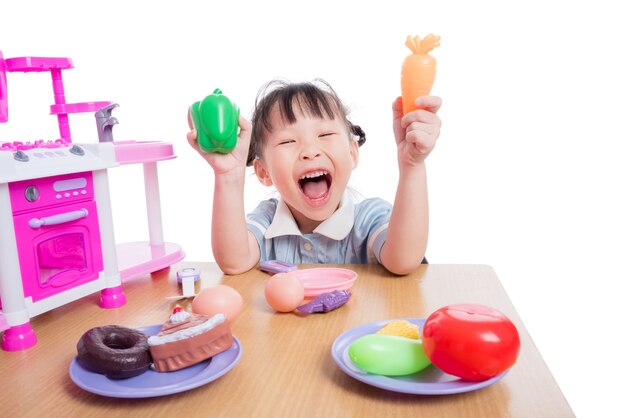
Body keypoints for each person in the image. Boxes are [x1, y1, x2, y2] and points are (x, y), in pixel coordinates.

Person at [187, 79, 441, 275]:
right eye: (288, 140)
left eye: (325, 135)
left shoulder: (369, 218)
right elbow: (234, 262)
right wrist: (229, 176)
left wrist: (412, 166)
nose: (309, 151)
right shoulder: (267, 222)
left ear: (352, 153)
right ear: (264, 172)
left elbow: (404, 261)